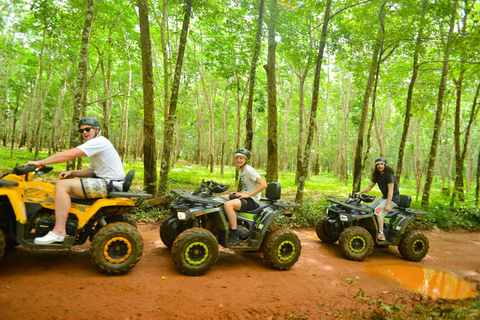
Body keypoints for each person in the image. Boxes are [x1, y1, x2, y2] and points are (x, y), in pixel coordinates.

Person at [26, 117, 125, 245]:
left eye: (87, 129)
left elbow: (70, 154)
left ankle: (59, 232)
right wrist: (72, 173)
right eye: (82, 131)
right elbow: (91, 170)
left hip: (110, 184)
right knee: (60, 186)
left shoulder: (98, 142)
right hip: (109, 182)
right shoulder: (99, 143)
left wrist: (40, 163)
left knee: (61, 186)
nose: (84, 132)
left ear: (96, 129)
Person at [222, 148, 267, 246]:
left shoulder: (249, 170)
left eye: (241, 158)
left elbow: (263, 184)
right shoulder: (243, 170)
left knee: (228, 205)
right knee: (221, 198)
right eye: (237, 158)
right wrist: (240, 192)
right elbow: (249, 187)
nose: (238, 160)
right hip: (246, 197)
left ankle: (234, 236)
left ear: (246, 160)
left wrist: (248, 195)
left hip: (252, 200)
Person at [356, 157, 400, 241]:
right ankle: (372, 228)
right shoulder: (378, 175)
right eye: (378, 164)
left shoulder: (389, 175)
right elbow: (370, 186)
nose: (380, 166)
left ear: (385, 165)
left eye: (382, 164)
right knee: (369, 209)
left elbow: (391, 191)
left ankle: (381, 234)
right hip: (385, 198)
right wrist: (360, 192)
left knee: (378, 212)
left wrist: (387, 204)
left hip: (393, 199)